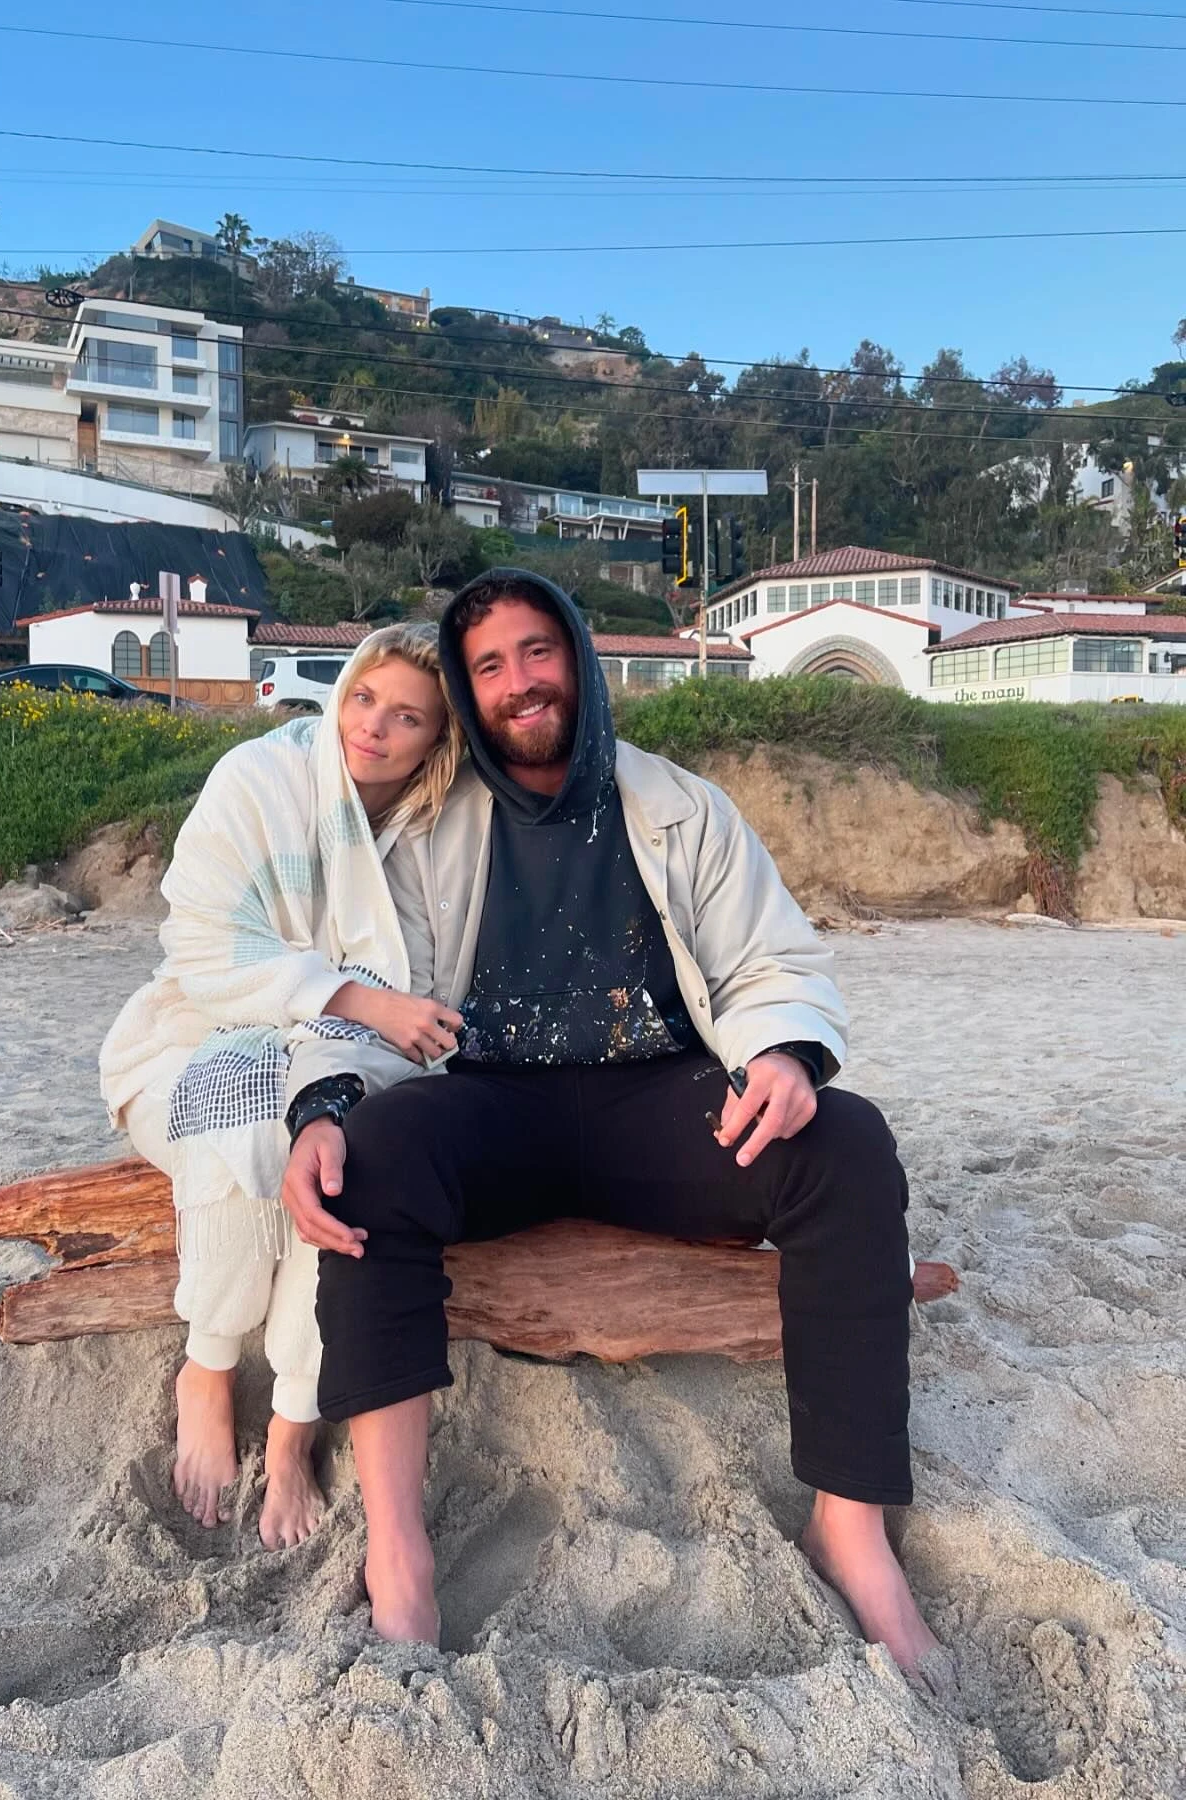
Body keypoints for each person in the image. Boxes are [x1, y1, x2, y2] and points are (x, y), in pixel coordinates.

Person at [279, 569, 947, 1687]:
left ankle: (850, 1524)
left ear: (580, 658)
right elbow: (357, 985)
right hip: (491, 1100)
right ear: (467, 689)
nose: (518, 681)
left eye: (537, 651)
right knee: (367, 1162)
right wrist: (319, 1106)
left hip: (659, 1100)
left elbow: (772, 961)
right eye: (488, 665)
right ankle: (399, 1544)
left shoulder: (683, 807)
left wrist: (780, 1050)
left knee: (844, 1143)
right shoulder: (431, 824)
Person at [99, 624, 465, 1548]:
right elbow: (202, 946)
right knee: (248, 1115)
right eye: (362, 698)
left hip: (353, 1053)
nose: (372, 727)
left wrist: (353, 1033)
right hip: (194, 1036)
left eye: (406, 716)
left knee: (344, 1168)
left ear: (438, 738)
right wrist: (352, 1000)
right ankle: (209, 1368)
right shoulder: (260, 778)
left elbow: (432, 984)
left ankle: (296, 1424)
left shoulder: (436, 828)